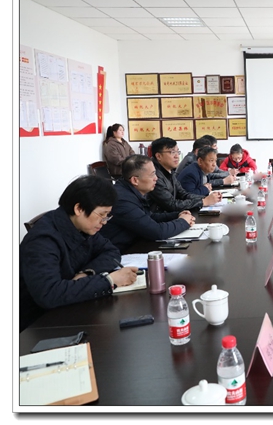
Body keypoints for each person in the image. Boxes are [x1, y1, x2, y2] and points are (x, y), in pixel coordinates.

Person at [19, 175, 138, 331]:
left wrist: (87, 273)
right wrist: (109, 281)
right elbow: (49, 294)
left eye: (107, 216)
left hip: (72, 307)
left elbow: (111, 251)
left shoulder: (82, 225)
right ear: (79, 209)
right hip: (39, 325)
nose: (104, 222)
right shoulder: (42, 241)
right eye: (101, 215)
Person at [100, 155, 195, 253]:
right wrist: (183, 221)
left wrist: (177, 215)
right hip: (120, 253)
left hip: (136, 244)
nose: (156, 178)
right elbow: (157, 232)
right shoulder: (122, 200)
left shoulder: (130, 190)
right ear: (135, 180)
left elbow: (148, 217)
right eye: (152, 175)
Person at [150, 137, 224, 213]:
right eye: (172, 152)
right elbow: (171, 204)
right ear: (158, 156)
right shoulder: (154, 176)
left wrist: (206, 198)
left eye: (177, 152)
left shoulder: (169, 171)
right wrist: (203, 201)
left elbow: (184, 195)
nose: (177, 156)